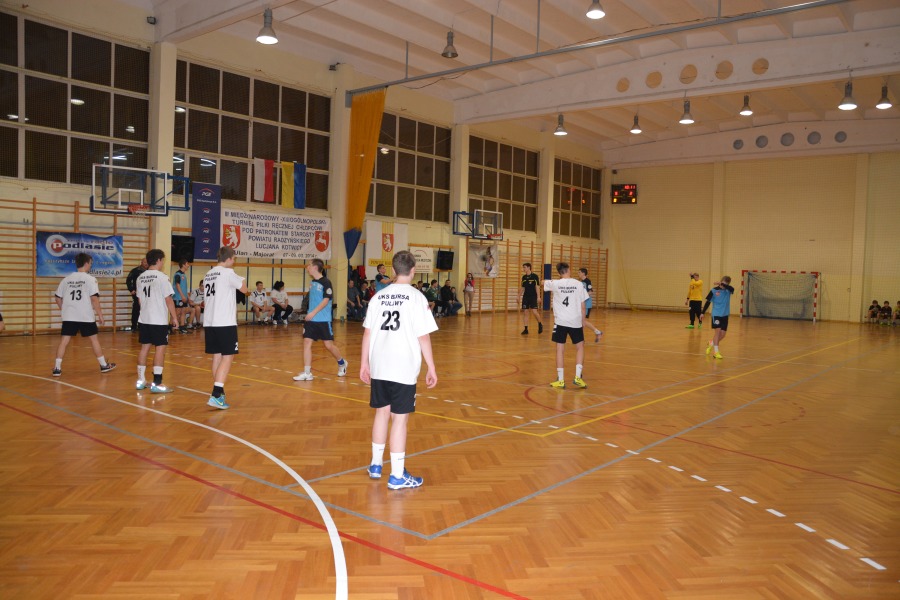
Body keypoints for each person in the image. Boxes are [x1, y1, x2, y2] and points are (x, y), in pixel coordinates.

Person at [360, 250, 438, 490]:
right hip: (403, 366)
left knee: (381, 413)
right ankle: (396, 476)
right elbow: (423, 337)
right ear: (413, 270)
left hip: (379, 364)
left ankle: (376, 465)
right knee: (400, 419)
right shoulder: (417, 298)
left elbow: (368, 333)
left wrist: (364, 363)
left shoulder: (378, 297)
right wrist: (431, 367)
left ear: (393, 270)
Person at [52, 253, 117, 376]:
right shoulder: (90, 279)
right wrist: (100, 315)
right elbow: (94, 299)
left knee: (64, 341)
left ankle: (57, 368)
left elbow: (57, 298)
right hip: (85, 316)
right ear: (86, 263)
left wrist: (63, 309)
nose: (91, 266)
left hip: (69, 316)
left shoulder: (66, 279)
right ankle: (103, 365)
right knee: (94, 340)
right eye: (91, 263)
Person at [202, 246, 249, 409]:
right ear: (228, 259)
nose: (234, 262)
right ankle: (216, 394)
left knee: (217, 356)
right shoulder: (228, 273)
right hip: (224, 321)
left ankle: (218, 392)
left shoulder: (208, 274)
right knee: (228, 357)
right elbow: (245, 289)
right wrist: (241, 278)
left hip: (210, 322)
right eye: (233, 259)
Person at [293, 259, 348, 381]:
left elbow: (326, 300)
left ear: (315, 267)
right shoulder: (312, 282)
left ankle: (342, 362)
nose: (307, 267)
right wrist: (308, 312)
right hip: (311, 320)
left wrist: (313, 312)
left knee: (328, 345)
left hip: (323, 319)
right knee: (307, 342)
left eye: (309, 265)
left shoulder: (326, 282)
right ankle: (307, 373)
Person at [135, 249, 180, 393]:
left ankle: (141, 380)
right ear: (159, 260)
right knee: (160, 349)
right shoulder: (162, 277)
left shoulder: (140, 277)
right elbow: (168, 299)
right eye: (163, 261)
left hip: (144, 318)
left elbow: (140, 300)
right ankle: (157, 383)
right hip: (158, 320)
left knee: (144, 348)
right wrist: (174, 318)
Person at [544, 262, 589, 388]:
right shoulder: (578, 284)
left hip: (560, 322)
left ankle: (561, 380)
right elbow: (583, 306)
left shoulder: (555, 283)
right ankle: (578, 377)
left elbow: (543, 283)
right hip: (575, 321)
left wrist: (546, 281)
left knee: (560, 349)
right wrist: (583, 321)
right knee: (580, 347)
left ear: (559, 273)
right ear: (569, 270)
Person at [704, 276, 734, 359]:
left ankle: (711, 343)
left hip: (725, 315)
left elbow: (732, 288)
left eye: (726, 284)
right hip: (716, 314)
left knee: (723, 335)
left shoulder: (728, 290)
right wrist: (702, 313)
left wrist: (722, 284)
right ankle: (716, 352)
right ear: (721, 281)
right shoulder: (714, 290)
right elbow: (708, 302)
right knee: (717, 333)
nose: (724, 285)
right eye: (723, 282)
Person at [578, 268, 603, 343]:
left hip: (587, 304)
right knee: (581, 321)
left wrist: (583, 296)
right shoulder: (581, 282)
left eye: (579, 272)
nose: (578, 273)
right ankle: (596, 332)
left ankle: (596, 332)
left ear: (583, 273)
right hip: (582, 303)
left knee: (582, 321)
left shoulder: (587, 281)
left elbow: (591, 291)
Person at [125, 257, 148, 333]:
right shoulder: (135, 270)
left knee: (145, 310)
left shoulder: (150, 271)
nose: (146, 264)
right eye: (144, 262)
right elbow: (128, 280)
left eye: (147, 262)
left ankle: (143, 326)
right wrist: (131, 289)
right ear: (141, 262)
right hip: (137, 294)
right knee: (136, 309)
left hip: (147, 294)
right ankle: (134, 326)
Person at [520, 262, 544, 335]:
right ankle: (526, 329)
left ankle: (540, 324)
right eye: (523, 267)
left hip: (533, 296)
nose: (523, 269)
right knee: (525, 312)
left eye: (525, 267)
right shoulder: (524, 277)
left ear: (529, 267)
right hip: (525, 297)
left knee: (534, 312)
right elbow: (522, 288)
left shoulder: (534, 276)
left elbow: (537, 287)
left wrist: (538, 297)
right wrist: (518, 296)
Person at [172, 258, 192, 334]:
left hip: (183, 297)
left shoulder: (184, 275)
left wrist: (188, 297)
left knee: (183, 312)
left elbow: (184, 287)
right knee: (177, 313)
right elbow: (177, 285)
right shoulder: (178, 274)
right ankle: (171, 327)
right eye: (187, 264)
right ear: (183, 265)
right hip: (178, 297)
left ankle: (182, 328)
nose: (188, 265)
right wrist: (182, 296)